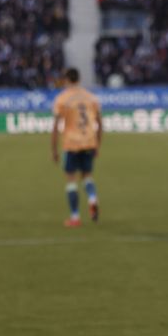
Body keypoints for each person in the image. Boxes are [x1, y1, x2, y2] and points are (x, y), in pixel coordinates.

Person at [51, 67, 101, 228]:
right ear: (78, 79)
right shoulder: (91, 97)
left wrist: (54, 150)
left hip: (71, 143)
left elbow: (55, 125)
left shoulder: (62, 99)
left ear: (66, 79)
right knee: (87, 176)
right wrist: (97, 144)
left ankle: (75, 217)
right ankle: (92, 198)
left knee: (71, 179)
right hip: (89, 141)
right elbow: (100, 123)